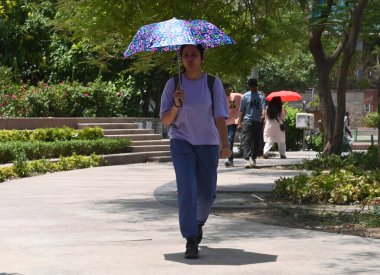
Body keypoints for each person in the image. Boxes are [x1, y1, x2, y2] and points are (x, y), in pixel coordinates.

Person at [160, 44, 231, 259]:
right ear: (181, 59)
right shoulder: (173, 84)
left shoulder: (212, 83)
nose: (189, 59)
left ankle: (198, 222)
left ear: (202, 57)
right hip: (181, 141)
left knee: (207, 194)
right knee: (188, 190)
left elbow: (220, 117)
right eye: (185, 55)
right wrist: (176, 104)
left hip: (208, 143)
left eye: (194, 55)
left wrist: (225, 144)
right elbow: (165, 120)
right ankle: (191, 238)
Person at [238, 78, 266, 168]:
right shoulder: (245, 96)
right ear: (249, 86)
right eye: (251, 86)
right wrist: (239, 122)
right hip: (247, 120)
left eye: (254, 86)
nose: (253, 88)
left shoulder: (261, 96)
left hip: (258, 121)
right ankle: (247, 159)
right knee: (246, 140)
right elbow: (241, 110)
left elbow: (264, 108)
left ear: (256, 86)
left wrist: (263, 115)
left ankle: (253, 158)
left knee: (257, 141)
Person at [223, 83, 243, 167]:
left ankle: (228, 158)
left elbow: (245, 98)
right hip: (224, 122)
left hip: (233, 121)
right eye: (225, 90)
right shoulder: (220, 98)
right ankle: (229, 158)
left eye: (228, 89)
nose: (227, 91)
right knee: (225, 140)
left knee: (230, 139)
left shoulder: (236, 96)